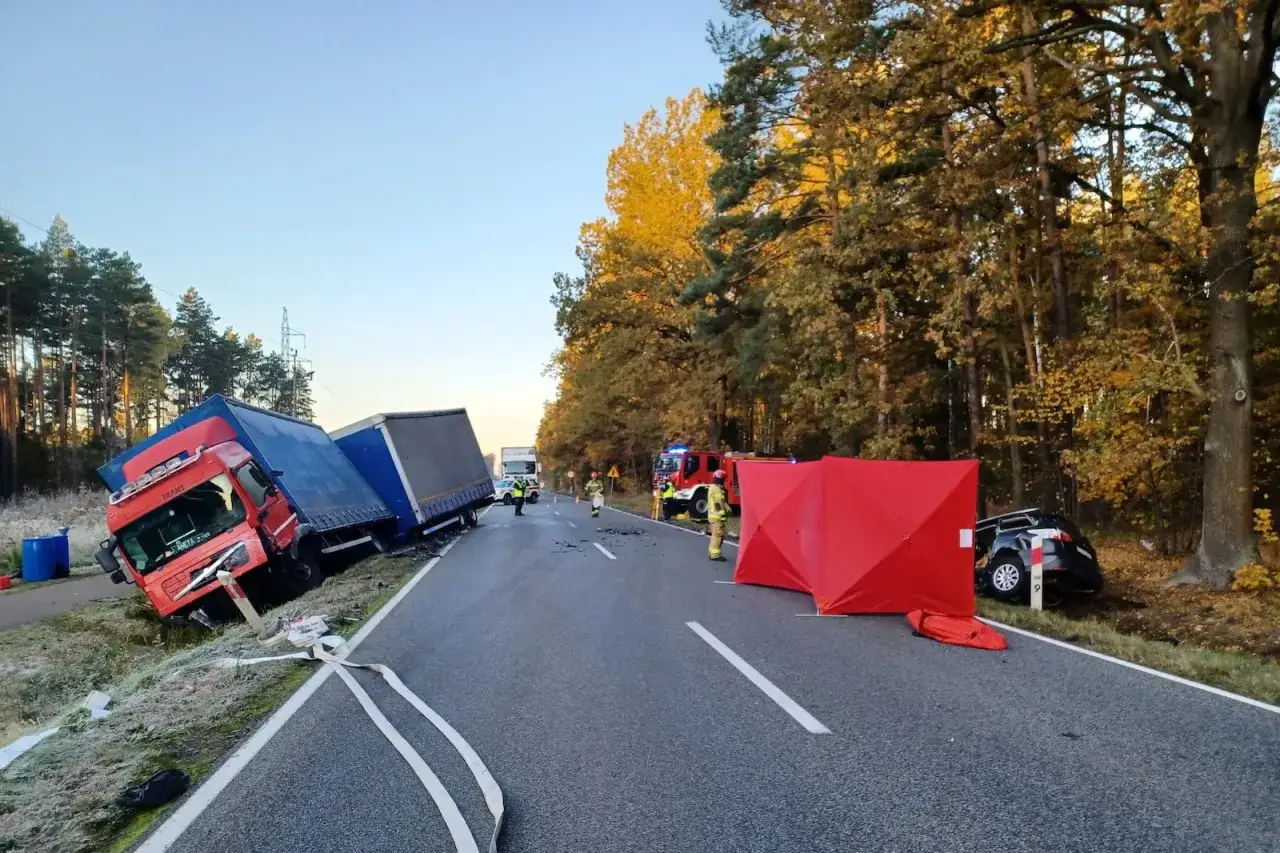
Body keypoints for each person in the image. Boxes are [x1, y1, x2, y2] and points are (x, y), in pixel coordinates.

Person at [707, 469, 728, 562]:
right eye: (724, 479)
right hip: (716, 517)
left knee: (716, 535)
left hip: (713, 516)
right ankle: (715, 555)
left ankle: (712, 553)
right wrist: (722, 515)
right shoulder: (716, 489)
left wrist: (726, 507)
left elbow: (721, 501)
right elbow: (718, 503)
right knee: (718, 535)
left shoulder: (714, 488)